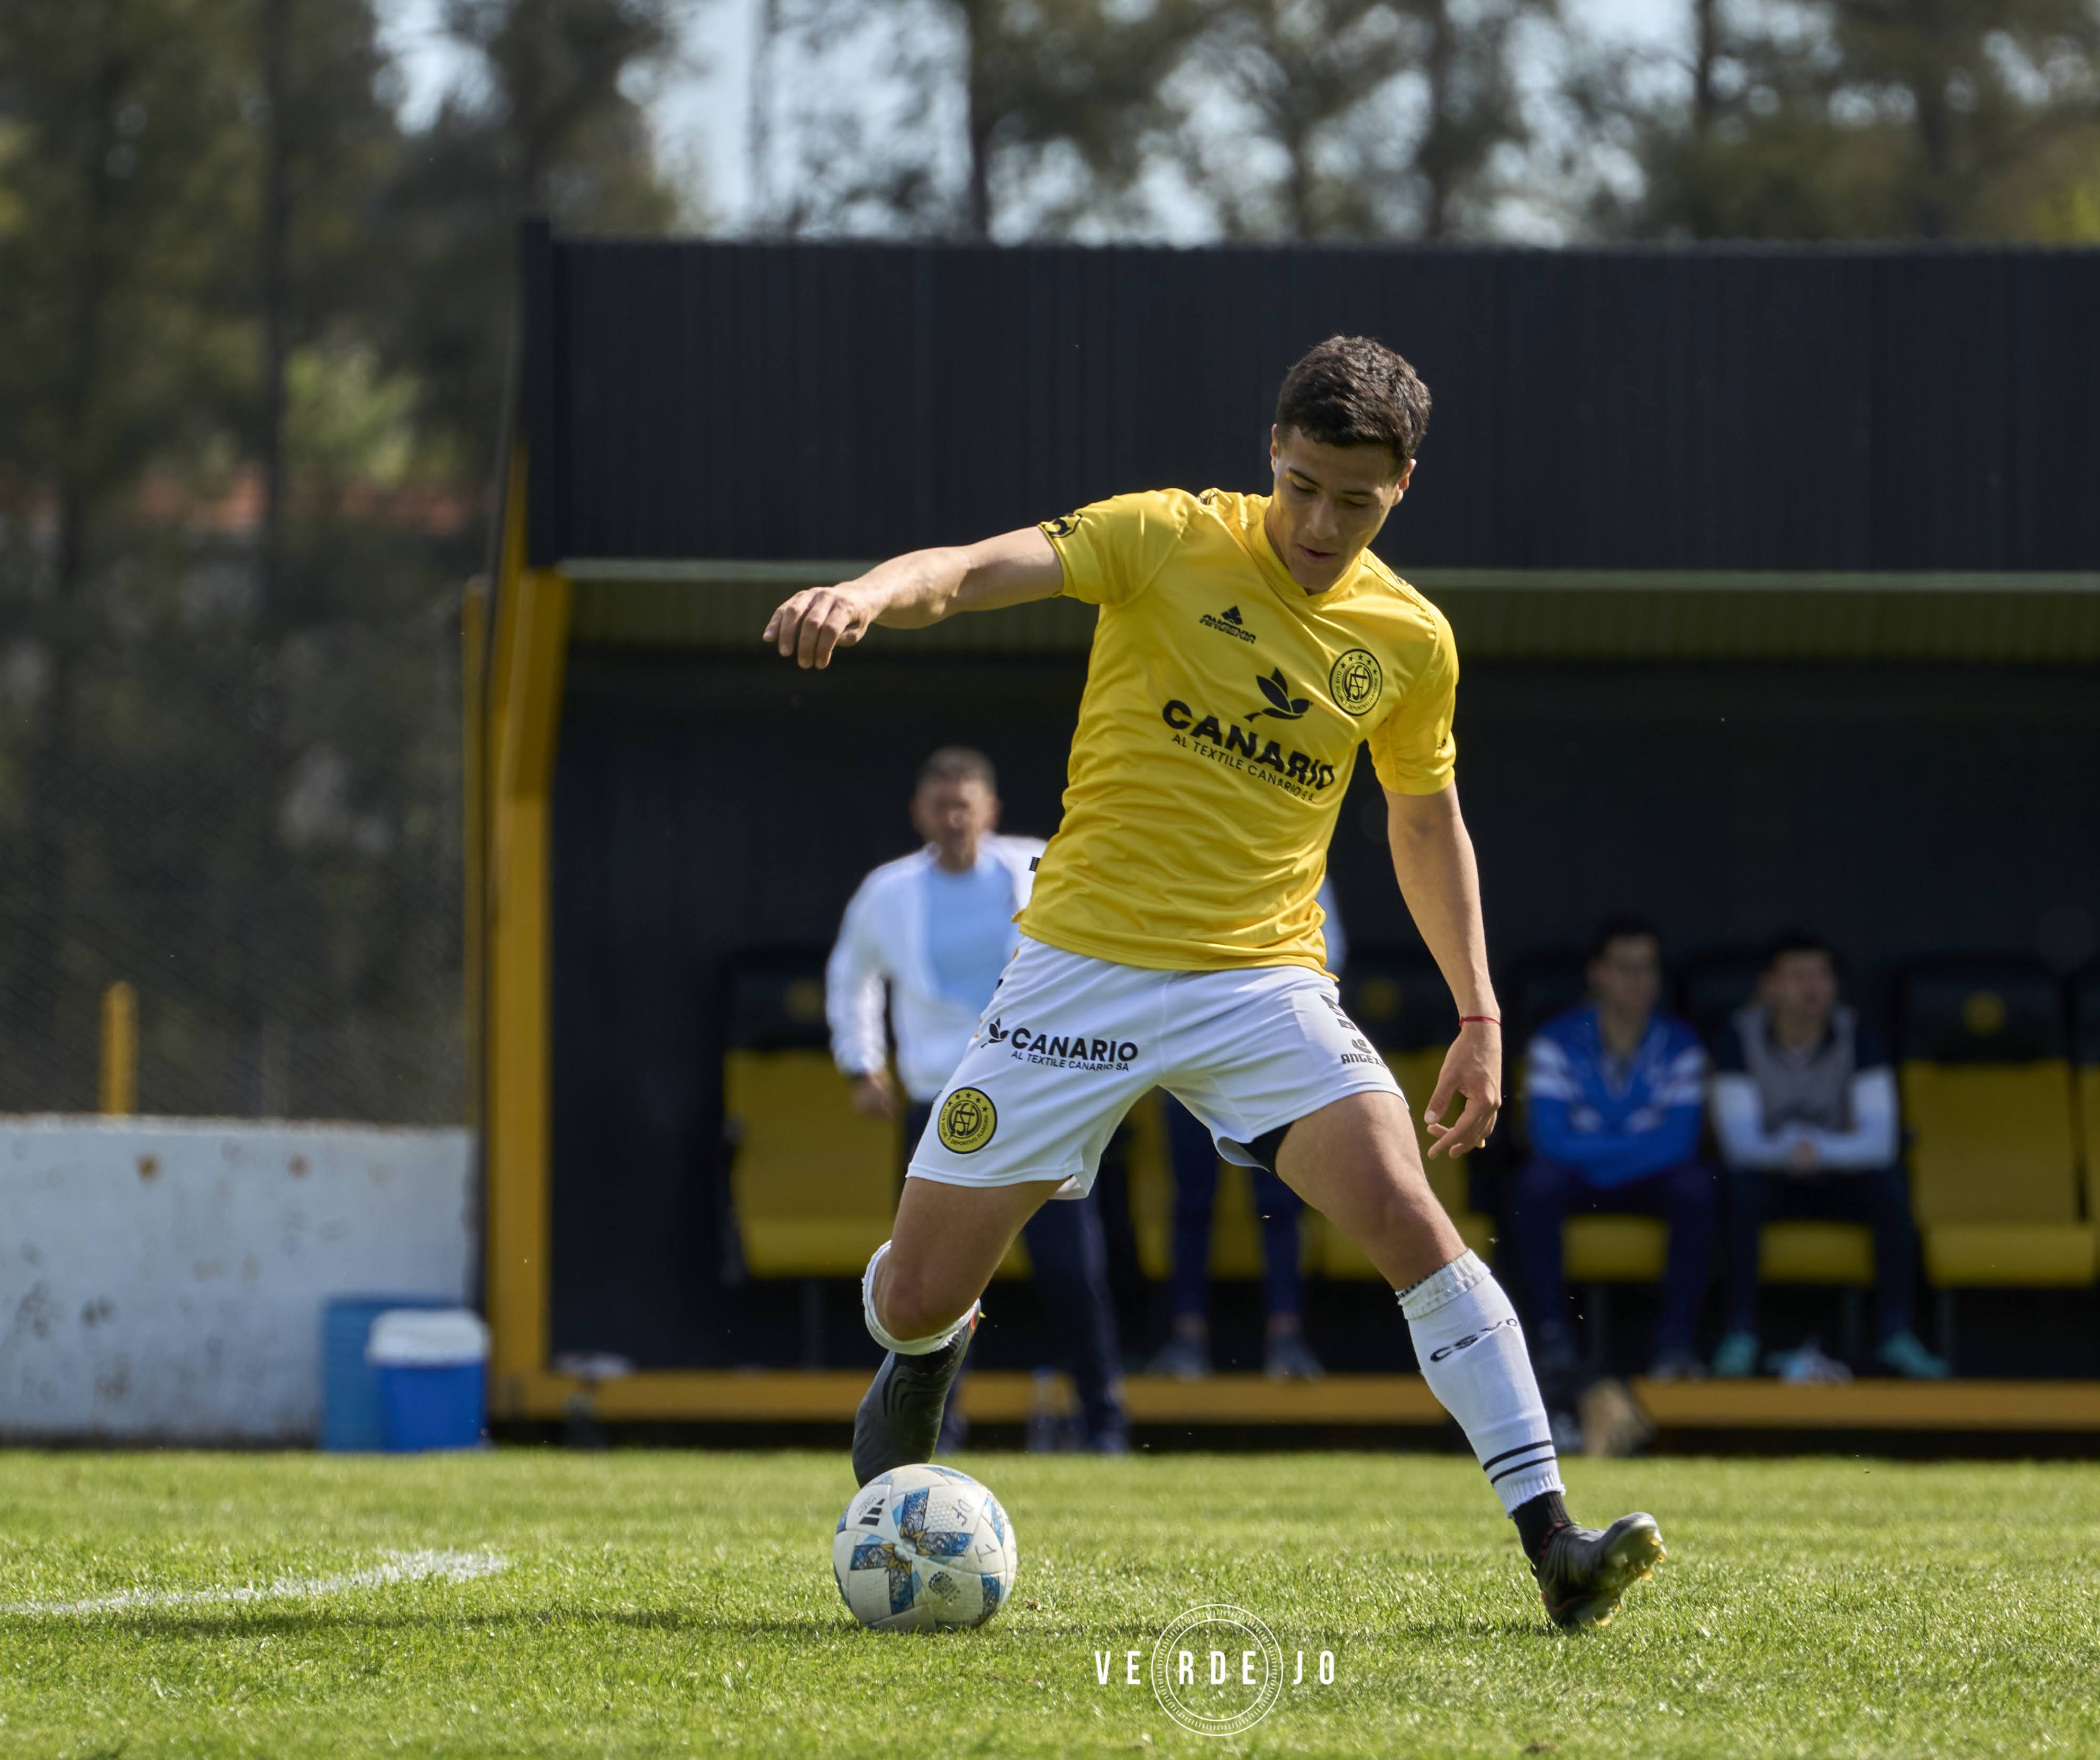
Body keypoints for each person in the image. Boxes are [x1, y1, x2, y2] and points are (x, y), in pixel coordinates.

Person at [768, 335, 1665, 1628]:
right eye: (1300, 485)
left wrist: (1477, 1012)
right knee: (913, 1295)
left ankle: (1556, 1551)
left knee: (1412, 1220)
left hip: (1259, 984)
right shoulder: (1160, 536)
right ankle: (926, 1350)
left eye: (1352, 501)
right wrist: (863, 591)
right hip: (1074, 973)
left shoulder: (1409, 641)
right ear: (1270, 456)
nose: (1318, 521)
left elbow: (1423, 825)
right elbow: (966, 572)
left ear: (1399, 488)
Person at [825, 747, 1129, 1452]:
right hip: (942, 1103)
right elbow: (852, 977)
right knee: (935, 1281)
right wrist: (860, 1062)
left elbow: (1104, 945)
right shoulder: (887, 891)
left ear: (989, 810)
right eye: (941, 804)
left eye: (965, 803)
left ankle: (1105, 1421)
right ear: (920, 813)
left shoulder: (1039, 867)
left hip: (1041, 1096)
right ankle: (934, 1428)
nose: (954, 817)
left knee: (1070, 1270)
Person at [1708, 931, 1948, 1380]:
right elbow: (1739, 1144)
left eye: (1821, 976)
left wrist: (1815, 1149)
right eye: (1798, 976)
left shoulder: (1859, 1035)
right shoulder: (1736, 1038)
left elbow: (1880, 1142)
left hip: (1838, 1177)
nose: (1811, 988)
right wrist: (1792, 1151)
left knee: (1890, 1188)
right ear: (1769, 986)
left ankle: (1896, 1334)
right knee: (1735, 1189)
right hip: (1770, 1180)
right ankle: (1738, 1334)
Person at [1142, 874, 1346, 1383]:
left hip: (1269, 1060)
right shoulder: (1179, 855)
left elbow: (1328, 953)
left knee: (1279, 1201)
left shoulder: (1296, 855)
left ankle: (1288, 1343)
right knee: (1191, 1201)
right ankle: (1185, 1343)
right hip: (1189, 1060)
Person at [1511, 916, 1720, 1382]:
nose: (1636, 981)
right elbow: (1548, 1138)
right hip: (1579, 1178)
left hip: (1640, 1179)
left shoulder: (1682, 1045)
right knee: (1535, 1184)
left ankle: (1676, 1345)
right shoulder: (1554, 1042)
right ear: (1596, 974)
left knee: (1695, 1188)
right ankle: (1551, 1337)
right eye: (1624, 967)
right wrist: (1627, 1151)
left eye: (1646, 969)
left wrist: (1601, 1154)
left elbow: (1680, 1143)